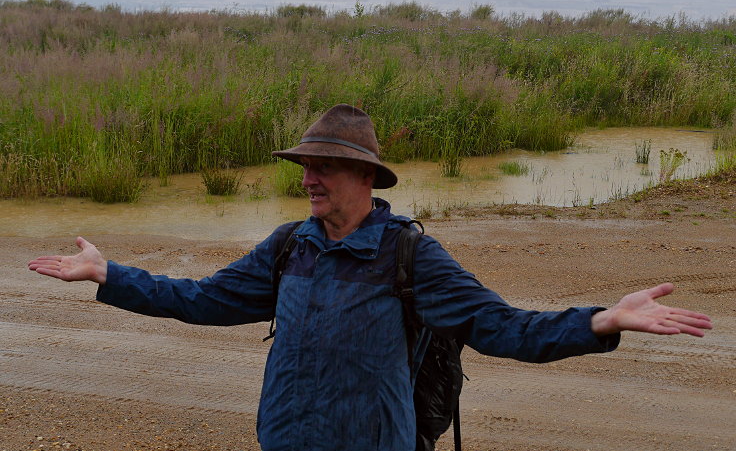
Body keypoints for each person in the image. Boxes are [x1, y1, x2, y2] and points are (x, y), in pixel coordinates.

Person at [29, 104, 712, 451]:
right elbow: (202, 298)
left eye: (322, 165)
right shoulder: (289, 246)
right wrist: (109, 273)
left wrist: (602, 319)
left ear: (365, 177)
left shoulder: (410, 255)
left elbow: (506, 328)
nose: (308, 176)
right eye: (304, 163)